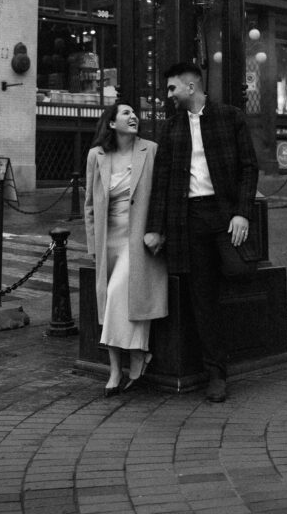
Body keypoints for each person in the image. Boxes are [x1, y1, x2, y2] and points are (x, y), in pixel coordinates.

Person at [144, 61, 259, 403]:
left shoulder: (230, 117)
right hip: (189, 219)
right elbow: (161, 183)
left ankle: (245, 349)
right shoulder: (171, 128)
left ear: (190, 88)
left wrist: (242, 213)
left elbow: (248, 168)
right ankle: (216, 374)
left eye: (172, 89)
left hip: (223, 215)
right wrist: (156, 229)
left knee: (238, 273)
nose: (168, 96)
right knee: (202, 298)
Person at [84, 101, 168, 397]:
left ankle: (124, 363)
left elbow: (162, 195)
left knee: (125, 295)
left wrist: (159, 232)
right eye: (126, 113)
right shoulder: (97, 155)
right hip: (109, 240)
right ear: (111, 123)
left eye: (135, 114)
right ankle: (128, 360)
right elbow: (90, 206)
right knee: (112, 303)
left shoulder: (151, 150)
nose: (133, 117)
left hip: (138, 239)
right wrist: (93, 243)